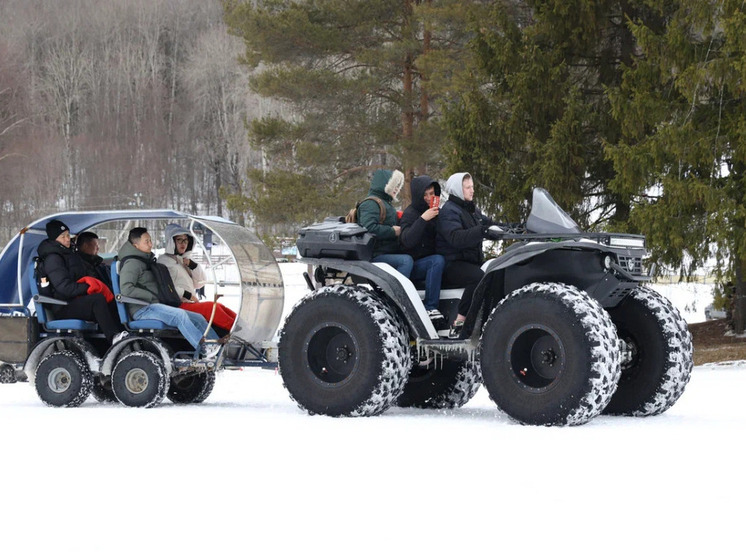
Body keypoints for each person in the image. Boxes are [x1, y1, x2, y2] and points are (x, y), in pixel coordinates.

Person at [118, 227, 222, 355]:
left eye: (150, 240)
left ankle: (217, 346)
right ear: (136, 245)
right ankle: (204, 348)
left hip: (152, 305)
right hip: (142, 309)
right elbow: (126, 289)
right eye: (146, 241)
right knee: (180, 316)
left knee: (198, 318)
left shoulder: (144, 260)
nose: (150, 244)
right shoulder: (132, 263)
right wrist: (151, 296)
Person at [36, 219, 126, 345]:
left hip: (73, 301)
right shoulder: (53, 259)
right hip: (62, 306)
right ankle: (113, 337)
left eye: (68, 235)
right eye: (63, 237)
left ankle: (123, 336)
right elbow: (64, 287)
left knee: (111, 301)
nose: (67, 239)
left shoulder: (68, 254)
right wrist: (87, 287)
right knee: (97, 300)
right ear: (54, 239)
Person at [436, 172, 496, 338]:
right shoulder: (449, 211)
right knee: (477, 277)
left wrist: (513, 228)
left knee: (494, 271)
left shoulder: (470, 209)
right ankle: (460, 322)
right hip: (452, 264)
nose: (472, 190)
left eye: (472, 187)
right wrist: (481, 231)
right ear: (457, 189)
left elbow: (488, 224)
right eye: (468, 187)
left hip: (468, 261)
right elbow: (456, 238)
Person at [157, 223, 242, 337]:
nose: (183, 244)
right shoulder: (164, 262)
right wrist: (188, 295)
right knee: (211, 308)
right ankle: (237, 332)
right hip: (177, 305)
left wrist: (193, 266)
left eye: (186, 240)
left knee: (220, 306)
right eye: (179, 240)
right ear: (171, 242)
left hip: (189, 303)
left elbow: (199, 283)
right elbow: (165, 288)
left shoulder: (183, 260)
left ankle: (243, 327)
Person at [399, 175, 446, 325]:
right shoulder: (410, 213)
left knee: (441, 259)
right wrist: (423, 219)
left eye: (432, 193)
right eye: (425, 194)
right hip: (414, 264)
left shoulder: (436, 211)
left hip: (431, 259)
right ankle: (430, 307)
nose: (428, 197)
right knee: (437, 261)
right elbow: (407, 241)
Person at [357, 169, 413, 278]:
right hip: (376, 254)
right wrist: (392, 231)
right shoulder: (371, 203)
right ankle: (396, 294)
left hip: (387, 251)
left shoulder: (385, 203)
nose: (397, 189)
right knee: (406, 261)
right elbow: (368, 228)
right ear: (385, 185)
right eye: (394, 185)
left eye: (398, 186)